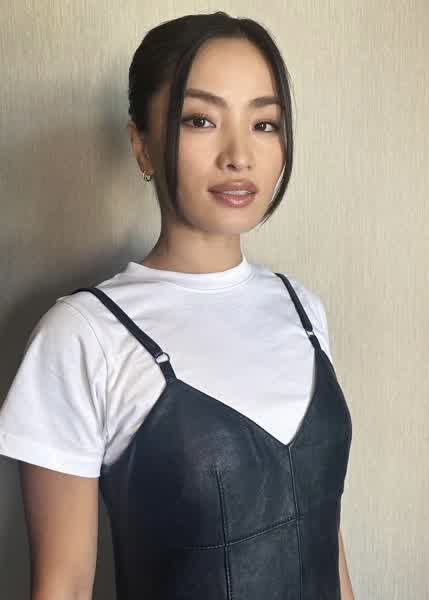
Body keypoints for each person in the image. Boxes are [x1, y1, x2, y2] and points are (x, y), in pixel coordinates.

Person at [0, 11, 354, 600]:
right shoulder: (83, 336)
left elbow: (325, 539)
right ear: (141, 144)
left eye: (264, 123)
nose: (239, 155)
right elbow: (63, 584)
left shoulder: (303, 311)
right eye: (200, 120)